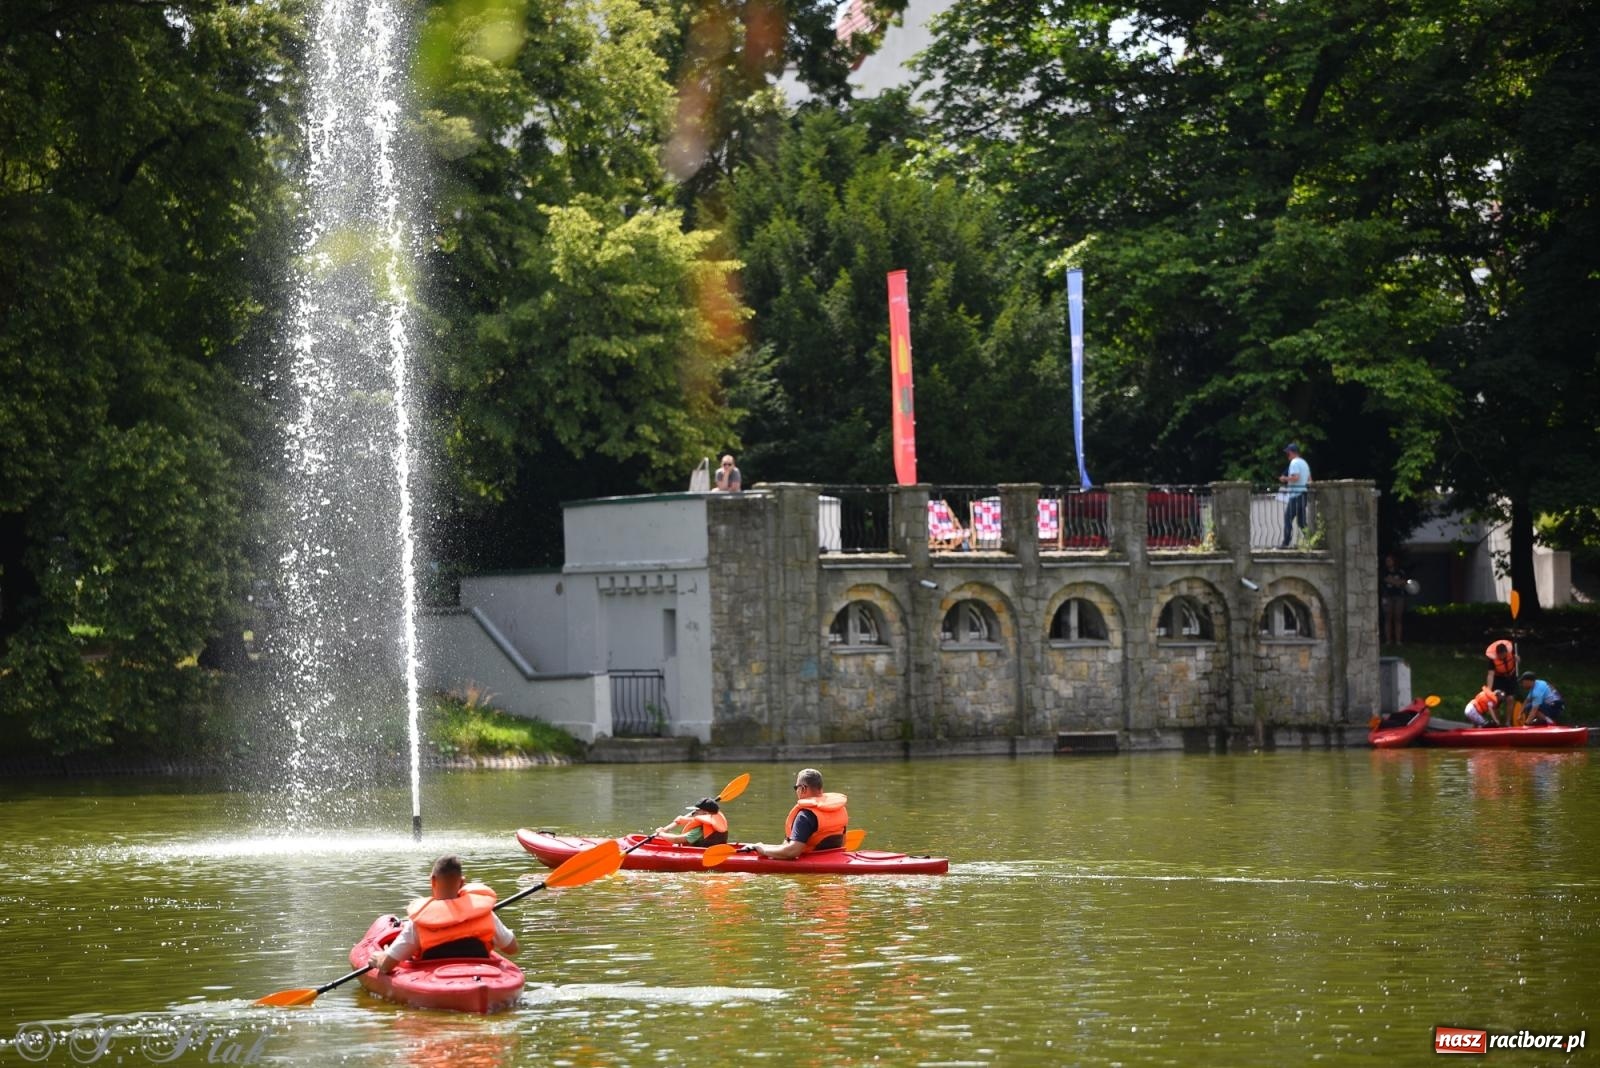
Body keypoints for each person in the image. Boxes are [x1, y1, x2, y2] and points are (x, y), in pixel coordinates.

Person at [370, 855, 518, 972]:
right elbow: (512, 948)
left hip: (437, 980)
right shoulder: (485, 914)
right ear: (462, 882)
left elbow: (387, 966)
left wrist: (380, 958)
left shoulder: (419, 922)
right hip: (481, 974)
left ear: (433, 881)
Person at [749, 768, 848, 860]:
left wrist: (763, 850)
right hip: (835, 859)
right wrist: (762, 846)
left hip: (812, 865)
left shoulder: (805, 815)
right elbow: (842, 842)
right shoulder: (839, 808)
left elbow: (792, 852)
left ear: (803, 788)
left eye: (796, 787)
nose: (796, 791)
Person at [651, 798, 729, 847]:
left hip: (703, 855)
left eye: (697, 811)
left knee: (675, 845)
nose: (694, 813)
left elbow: (676, 839)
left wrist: (661, 833)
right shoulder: (713, 821)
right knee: (674, 846)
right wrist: (681, 820)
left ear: (705, 813)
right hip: (713, 851)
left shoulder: (699, 830)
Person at [1277, 442, 1311, 548]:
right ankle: (1311, 541)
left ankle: (1285, 543)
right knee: (1301, 522)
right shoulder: (1304, 463)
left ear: (1291, 452)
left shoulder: (1294, 463)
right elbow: (1310, 480)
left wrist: (1284, 479)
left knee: (1287, 518)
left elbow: (1295, 477)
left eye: (1288, 453)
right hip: (1304, 495)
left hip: (1296, 495)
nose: (1287, 455)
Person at [1380, 554, 1409, 645]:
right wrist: (1397, 582)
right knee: (1388, 617)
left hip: (1399, 597)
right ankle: (1388, 640)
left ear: (1394, 561)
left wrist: (1395, 582)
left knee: (1398, 618)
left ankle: (1398, 641)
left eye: (1389, 560)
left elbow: (1404, 582)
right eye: (1387, 560)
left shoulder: (1400, 572)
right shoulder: (1384, 571)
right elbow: (1387, 580)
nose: (1388, 562)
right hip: (1387, 597)